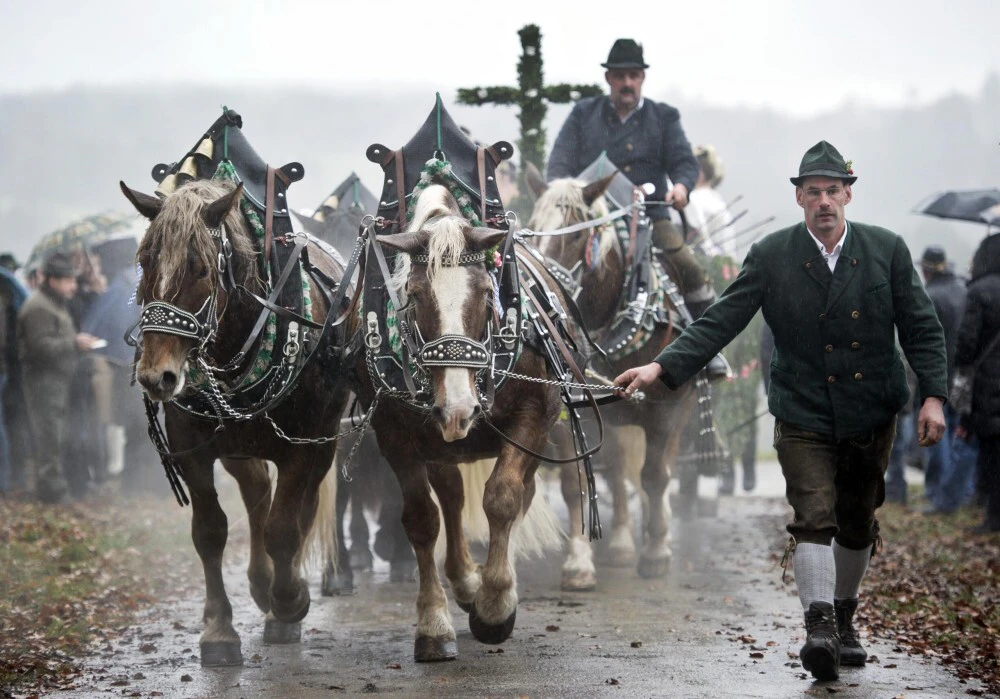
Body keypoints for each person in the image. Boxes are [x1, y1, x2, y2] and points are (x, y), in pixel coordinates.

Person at [613, 141, 948, 681]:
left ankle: (843, 614)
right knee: (814, 516)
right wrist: (662, 367)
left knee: (857, 522)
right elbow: (722, 318)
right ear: (798, 198)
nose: (824, 201)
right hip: (804, 409)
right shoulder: (773, 255)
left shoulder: (887, 249)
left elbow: (921, 326)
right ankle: (818, 628)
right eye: (812, 192)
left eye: (832, 191)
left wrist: (933, 395)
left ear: (848, 195)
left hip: (871, 410)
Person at [547, 38, 726, 379]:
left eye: (633, 75)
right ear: (608, 79)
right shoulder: (583, 114)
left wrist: (681, 187)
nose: (627, 83)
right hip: (593, 216)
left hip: (651, 216)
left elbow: (684, 162)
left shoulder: (664, 117)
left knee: (692, 270)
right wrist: (565, 195)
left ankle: (709, 351)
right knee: (552, 265)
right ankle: (547, 345)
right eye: (620, 76)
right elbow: (558, 165)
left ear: (642, 78)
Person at [16, 253, 101, 504]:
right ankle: (51, 491)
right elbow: (39, 348)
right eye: (68, 281)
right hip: (44, 383)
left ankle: (54, 487)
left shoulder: (54, 303)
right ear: (53, 280)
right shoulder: (38, 307)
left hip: (57, 381)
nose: (73, 286)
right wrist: (74, 343)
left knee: (57, 435)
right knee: (49, 437)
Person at [917, 246, 971, 515]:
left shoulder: (930, 296)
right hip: (964, 378)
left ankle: (938, 493)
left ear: (925, 270)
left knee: (936, 436)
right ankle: (959, 493)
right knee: (960, 437)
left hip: (939, 378)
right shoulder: (964, 291)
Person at [955, 233, 1000, 533]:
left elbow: (967, 343)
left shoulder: (980, 291)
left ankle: (993, 515)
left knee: (991, 451)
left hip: (988, 382)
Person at [688, 145, 736, 258]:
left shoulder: (693, 198)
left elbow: (700, 237)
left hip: (703, 259)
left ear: (701, 172)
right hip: (722, 263)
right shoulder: (719, 201)